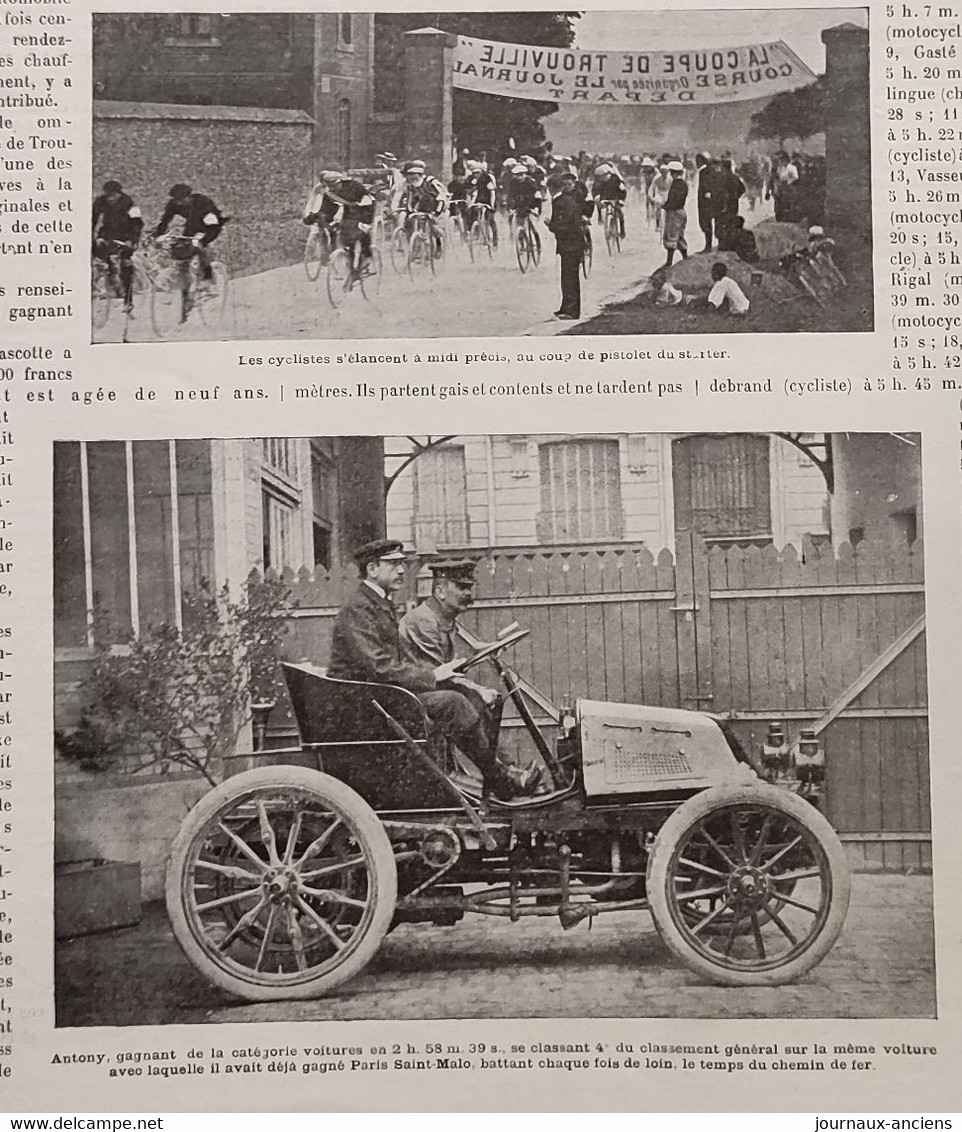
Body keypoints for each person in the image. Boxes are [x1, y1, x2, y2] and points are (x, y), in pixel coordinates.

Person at [327, 540, 542, 805]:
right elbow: (378, 666)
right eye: (393, 564)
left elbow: (395, 661)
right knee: (452, 703)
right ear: (372, 569)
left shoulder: (377, 603)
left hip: (379, 697)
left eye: (402, 564)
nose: (402, 570)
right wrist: (432, 677)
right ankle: (498, 777)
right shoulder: (359, 608)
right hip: (364, 706)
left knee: (465, 697)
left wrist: (439, 674)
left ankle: (496, 781)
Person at [399, 559, 549, 796]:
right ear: (439, 591)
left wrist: (488, 649)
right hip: (413, 695)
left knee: (483, 699)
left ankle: (508, 772)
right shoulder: (423, 620)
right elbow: (439, 671)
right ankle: (500, 776)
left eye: (469, 587)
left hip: (428, 689)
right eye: (461, 588)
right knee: (467, 699)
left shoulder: (442, 618)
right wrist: (476, 688)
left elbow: (460, 654)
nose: (468, 593)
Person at [152, 182, 224, 283]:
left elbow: (213, 224)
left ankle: (208, 277)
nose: (179, 203)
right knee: (182, 249)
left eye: (182, 199)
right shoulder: (173, 204)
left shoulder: (202, 202)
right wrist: (159, 234)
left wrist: (204, 240)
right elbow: (165, 221)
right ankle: (185, 279)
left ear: (189, 197)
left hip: (210, 225)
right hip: (192, 226)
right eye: (177, 200)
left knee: (200, 246)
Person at [91, 179, 144, 311]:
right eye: (108, 196)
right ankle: (108, 273)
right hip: (107, 233)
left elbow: (138, 223)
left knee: (126, 264)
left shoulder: (129, 202)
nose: (111, 199)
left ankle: (128, 298)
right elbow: (92, 219)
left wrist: (132, 240)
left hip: (126, 235)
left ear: (119, 194)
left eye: (113, 196)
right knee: (98, 251)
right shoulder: (100, 201)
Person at [547, 173, 587, 320]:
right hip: (572, 244)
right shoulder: (567, 200)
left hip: (571, 245)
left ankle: (571, 311)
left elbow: (563, 225)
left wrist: (550, 225)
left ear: (550, 188)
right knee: (567, 277)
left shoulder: (560, 202)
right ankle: (566, 307)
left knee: (569, 278)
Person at [398, 160, 447, 255]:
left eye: (407, 174)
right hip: (422, 206)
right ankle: (416, 247)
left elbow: (441, 197)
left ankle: (438, 244)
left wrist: (436, 213)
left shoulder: (430, 182)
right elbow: (410, 201)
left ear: (415, 174)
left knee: (433, 225)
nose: (405, 177)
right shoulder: (410, 186)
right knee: (411, 222)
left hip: (437, 206)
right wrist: (410, 213)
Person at [464, 160, 499, 249]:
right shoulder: (472, 179)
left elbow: (492, 193)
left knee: (490, 219)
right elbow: (471, 191)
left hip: (489, 199)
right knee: (472, 214)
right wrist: (470, 204)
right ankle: (474, 232)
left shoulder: (487, 178)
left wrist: (491, 205)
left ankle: (495, 240)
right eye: (474, 173)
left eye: (477, 173)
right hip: (479, 198)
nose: (476, 174)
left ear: (481, 171)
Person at [661, 161, 689, 267]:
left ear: (672, 173)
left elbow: (675, 201)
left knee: (671, 236)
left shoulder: (677, 185)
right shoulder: (683, 184)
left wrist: (665, 206)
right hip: (681, 212)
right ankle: (685, 258)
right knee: (680, 236)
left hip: (674, 213)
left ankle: (669, 262)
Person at [593, 163, 627, 239]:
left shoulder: (615, 178)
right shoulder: (598, 181)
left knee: (619, 211)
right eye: (599, 177)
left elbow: (623, 190)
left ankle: (622, 230)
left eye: (602, 176)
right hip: (604, 195)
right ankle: (600, 217)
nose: (601, 178)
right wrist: (596, 197)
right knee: (598, 203)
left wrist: (621, 200)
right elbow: (594, 190)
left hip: (615, 195)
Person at [695, 153, 719, 252]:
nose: (696, 163)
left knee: (706, 223)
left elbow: (706, 187)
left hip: (706, 201)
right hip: (711, 200)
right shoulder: (712, 171)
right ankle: (710, 245)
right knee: (710, 223)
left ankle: (708, 246)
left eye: (698, 161)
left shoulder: (705, 172)